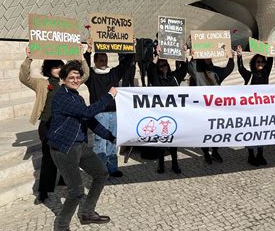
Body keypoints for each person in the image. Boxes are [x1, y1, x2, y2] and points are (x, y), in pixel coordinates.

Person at [48, 60, 117, 231]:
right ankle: (61, 228)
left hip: (79, 144)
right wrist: (109, 96)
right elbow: (87, 112)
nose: (75, 79)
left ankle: (87, 213)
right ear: (63, 79)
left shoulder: (76, 97)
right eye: (71, 77)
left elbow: (90, 121)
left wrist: (111, 136)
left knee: (101, 173)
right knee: (77, 191)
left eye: (78, 77)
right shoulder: (61, 96)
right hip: (64, 147)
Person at [19, 44, 89, 203]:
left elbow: (85, 75)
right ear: (48, 69)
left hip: (65, 126)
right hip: (48, 125)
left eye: (60, 66)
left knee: (68, 155)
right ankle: (44, 190)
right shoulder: (42, 84)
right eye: (54, 67)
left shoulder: (68, 82)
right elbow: (25, 77)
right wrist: (29, 58)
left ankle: (65, 180)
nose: (58, 69)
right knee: (48, 158)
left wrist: (81, 57)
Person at [84, 38, 134, 177]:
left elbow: (125, 64)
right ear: (95, 61)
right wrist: (88, 50)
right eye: (100, 60)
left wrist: (131, 47)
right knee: (100, 142)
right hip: (99, 114)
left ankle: (113, 168)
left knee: (113, 140)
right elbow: (84, 66)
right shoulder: (91, 76)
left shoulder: (113, 73)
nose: (103, 62)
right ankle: (100, 171)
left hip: (114, 113)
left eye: (105, 59)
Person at [143, 45, 188, 173]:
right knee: (161, 141)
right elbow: (151, 70)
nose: (163, 68)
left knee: (173, 141)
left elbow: (184, 69)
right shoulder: (156, 79)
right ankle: (161, 164)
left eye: (165, 65)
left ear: (169, 66)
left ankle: (175, 163)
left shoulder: (174, 77)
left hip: (173, 114)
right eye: (161, 66)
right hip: (160, 114)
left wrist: (183, 54)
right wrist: (157, 57)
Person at [187, 50, 235, 164]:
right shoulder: (198, 72)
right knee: (204, 131)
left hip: (215, 108)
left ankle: (215, 150)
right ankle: (205, 152)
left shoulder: (216, 71)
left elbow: (228, 69)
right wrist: (194, 57)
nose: (208, 58)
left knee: (216, 131)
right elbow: (190, 68)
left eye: (209, 56)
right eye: (205, 56)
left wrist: (231, 58)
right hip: (203, 108)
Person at [236, 45, 273, 166]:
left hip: (263, 109)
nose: (260, 63)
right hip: (251, 110)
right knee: (251, 132)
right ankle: (251, 155)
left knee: (262, 132)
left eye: (262, 61)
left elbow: (271, 59)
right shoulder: (249, 75)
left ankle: (260, 154)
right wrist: (239, 55)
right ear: (254, 63)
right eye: (258, 61)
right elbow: (241, 68)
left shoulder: (266, 74)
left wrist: (268, 49)